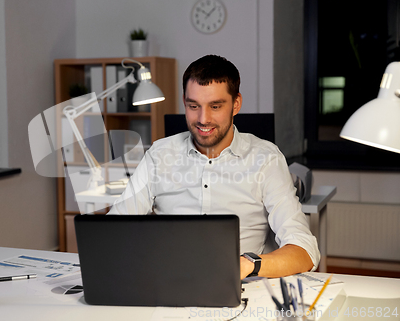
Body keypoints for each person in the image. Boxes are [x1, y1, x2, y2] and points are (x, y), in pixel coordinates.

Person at [108, 55, 319, 279]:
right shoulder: (159, 154)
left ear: (236, 104)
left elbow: (305, 250)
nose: (203, 119)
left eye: (215, 106)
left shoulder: (266, 159)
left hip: (243, 287)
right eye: (193, 106)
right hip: (170, 280)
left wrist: (247, 265)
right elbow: (112, 230)